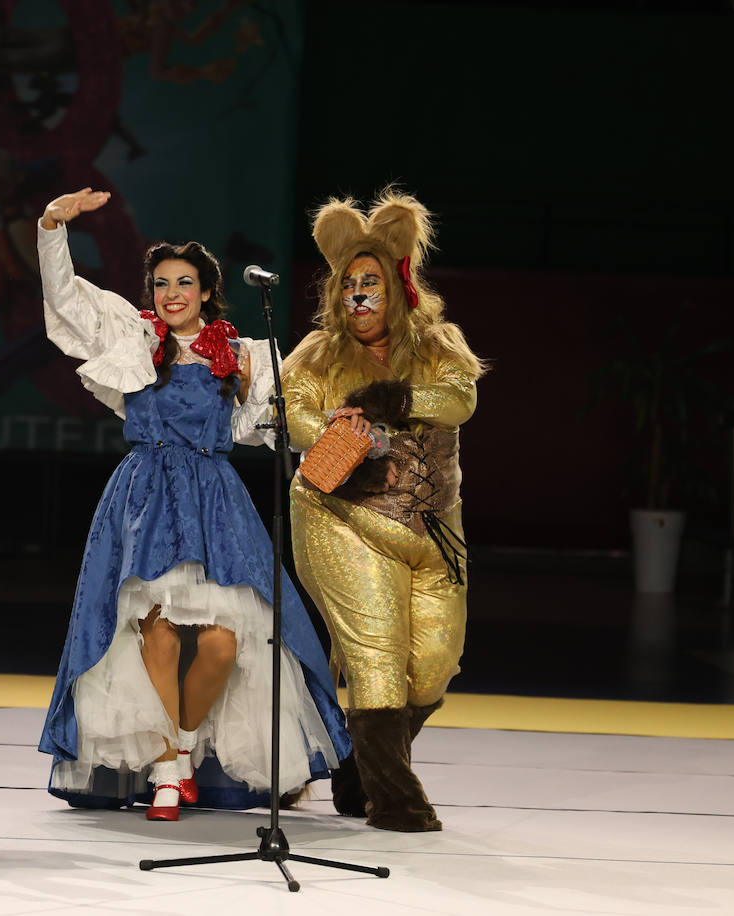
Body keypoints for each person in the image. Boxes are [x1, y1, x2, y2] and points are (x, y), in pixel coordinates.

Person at [35, 188, 349, 821]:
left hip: (214, 504)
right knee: (152, 633)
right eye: (159, 283)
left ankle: (175, 753)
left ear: (208, 291)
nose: (170, 293)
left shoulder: (246, 356)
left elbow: (279, 427)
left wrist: (343, 432)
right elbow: (65, 301)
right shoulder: (133, 338)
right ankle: (171, 775)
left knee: (221, 646)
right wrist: (50, 226)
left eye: (184, 283)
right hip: (144, 498)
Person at [282, 189, 485, 831]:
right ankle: (396, 800)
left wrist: (394, 397)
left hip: (434, 531)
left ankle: (356, 773)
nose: (358, 297)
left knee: (431, 668)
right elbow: (292, 416)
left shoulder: (439, 347)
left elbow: (459, 402)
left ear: (397, 287)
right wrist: (340, 433)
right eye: (348, 285)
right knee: (377, 656)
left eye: (370, 283)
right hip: (342, 517)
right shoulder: (316, 353)